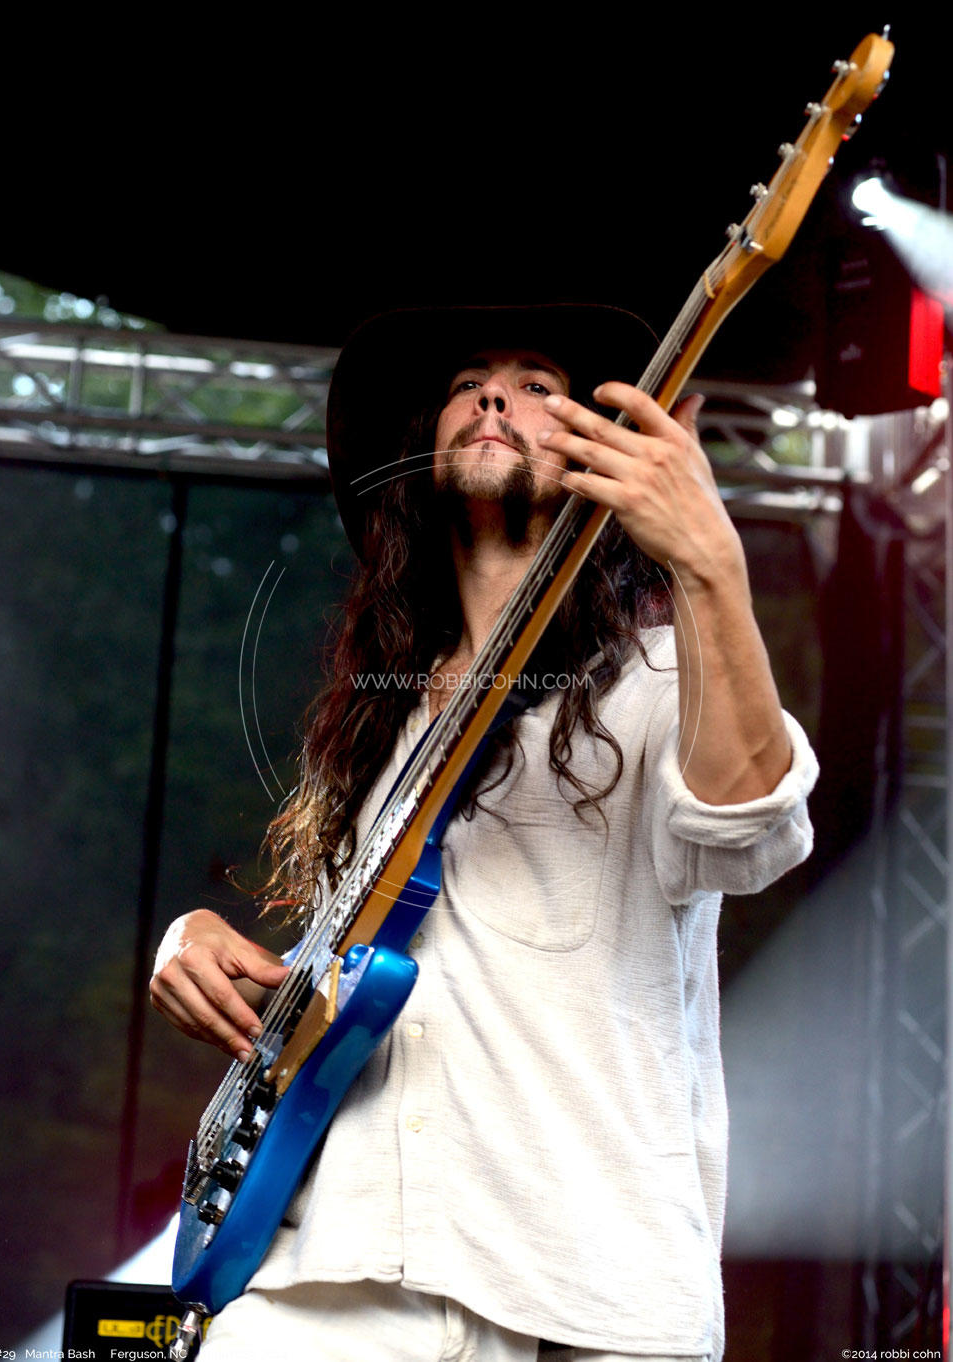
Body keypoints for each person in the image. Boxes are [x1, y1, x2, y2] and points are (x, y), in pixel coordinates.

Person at [150, 303, 818, 1362]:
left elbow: (749, 836)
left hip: (587, 1289)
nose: (496, 394)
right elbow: (362, 983)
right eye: (470, 381)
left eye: (539, 384)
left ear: (602, 451)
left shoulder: (663, 680)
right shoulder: (382, 727)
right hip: (340, 1267)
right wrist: (196, 944)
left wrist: (709, 567)